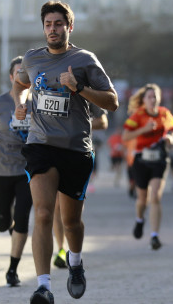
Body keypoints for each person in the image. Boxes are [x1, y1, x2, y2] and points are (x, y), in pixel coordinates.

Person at [12, 0, 118, 304]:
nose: (53, 29)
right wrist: (21, 102)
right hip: (40, 145)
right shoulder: (32, 58)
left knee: (71, 222)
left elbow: (112, 102)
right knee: (43, 213)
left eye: (59, 24)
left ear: (69, 27)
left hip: (75, 149)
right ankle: (43, 286)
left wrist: (78, 88)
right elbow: (20, 83)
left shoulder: (84, 60)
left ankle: (75, 262)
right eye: (48, 24)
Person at [0, 55, 33, 287]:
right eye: (18, 72)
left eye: (27, 72)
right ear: (12, 77)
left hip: (28, 171)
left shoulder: (39, 103)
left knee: (22, 218)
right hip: (2, 170)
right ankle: (10, 226)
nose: (23, 76)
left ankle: (12, 269)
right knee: (3, 223)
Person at [122, 83, 173, 251]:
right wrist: (143, 130)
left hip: (160, 159)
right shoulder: (138, 116)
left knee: (155, 196)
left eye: (155, 96)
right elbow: (126, 135)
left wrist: (171, 137)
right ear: (144, 100)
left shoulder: (164, 113)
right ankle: (140, 220)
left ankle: (154, 236)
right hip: (141, 160)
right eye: (149, 97)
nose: (153, 100)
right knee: (142, 199)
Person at [51, 105, 107, 270]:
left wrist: (78, 122)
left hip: (78, 151)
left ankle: (72, 248)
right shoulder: (48, 85)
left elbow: (103, 122)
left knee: (72, 210)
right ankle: (61, 249)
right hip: (53, 151)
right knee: (56, 206)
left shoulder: (86, 89)